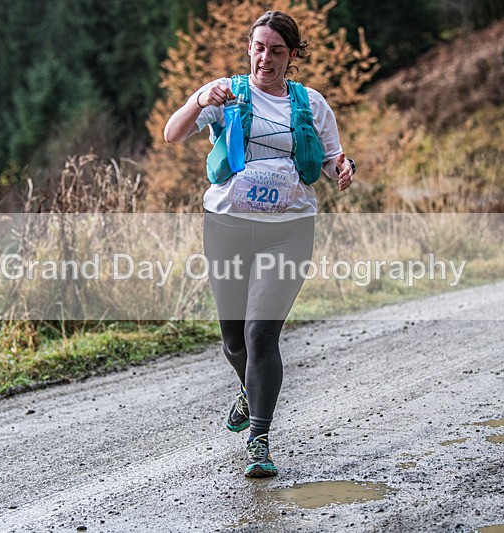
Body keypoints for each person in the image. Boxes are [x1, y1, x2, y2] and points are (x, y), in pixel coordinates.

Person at [164, 10, 354, 478]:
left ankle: (260, 441)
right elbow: (172, 134)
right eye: (259, 47)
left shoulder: (310, 103)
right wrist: (198, 100)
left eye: (276, 50)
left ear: (292, 57)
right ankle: (249, 390)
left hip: (289, 229)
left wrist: (344, 169)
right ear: (250, 48)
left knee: (260, 335)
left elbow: (331, 159)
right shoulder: (225, 93)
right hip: (227, 226)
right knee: (233, 341)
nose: (265, 57)